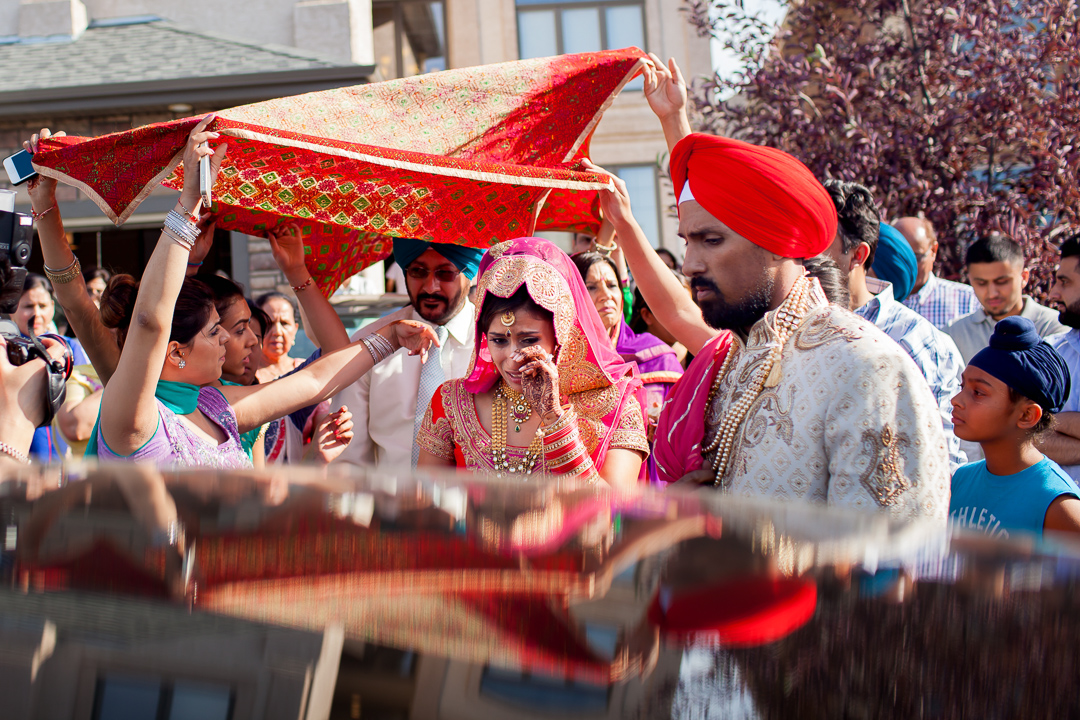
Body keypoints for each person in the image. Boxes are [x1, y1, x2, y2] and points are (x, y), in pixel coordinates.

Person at [600, 60, 951, 517]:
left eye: (711, 241)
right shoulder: (734, 358)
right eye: (688, 241)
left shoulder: (866, 370)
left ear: (777, 244)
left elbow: (889, 570)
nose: (689, 264)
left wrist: (740, 543)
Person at [93, 117, 438, 468]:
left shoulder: (216, 408)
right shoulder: (135, 420)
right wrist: (188, 203)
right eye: (216, 332)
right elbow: (151, 320)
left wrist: (392, 336)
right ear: (175, 351)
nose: (228, 340)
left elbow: (315, 380)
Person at [416, 237, 649, 488]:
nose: (513, 357)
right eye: (498, 341)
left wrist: (555, 419)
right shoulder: (452, 401)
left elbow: (612, 511)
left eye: (528, 340)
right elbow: (427, 505)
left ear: (561, 332)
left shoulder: (617, 405)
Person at [822, 180, 966, 471]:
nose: (806, 256)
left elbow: (941, 463)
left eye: (820, 243)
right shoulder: (786, 328)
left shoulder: (920, 342)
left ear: (858, 256)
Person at [331, 237, 486, 469]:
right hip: (388, 503)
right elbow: (349, 460)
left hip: (476, 504)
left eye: (445, 273)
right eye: (418, 272)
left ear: (470, 274)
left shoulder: (492, 344)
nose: (430, 286)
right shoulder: (369, 344)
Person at [949, 316, 1080, 537]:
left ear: (1028, 415)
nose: (956, 400)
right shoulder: (960, 480)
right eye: (962, 386)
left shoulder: (1058, 505)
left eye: (978, 392)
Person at [571, 251, 683, 455]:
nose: (606, 295)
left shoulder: (656, 357)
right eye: (591, 287)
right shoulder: (563, 364)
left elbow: (685, 430)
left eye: (612, 285)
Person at [945, 234, 1065, 363]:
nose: (992, 293)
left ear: (1024, 277)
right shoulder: (953, 334)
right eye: (981, 283)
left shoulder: (1056, 329)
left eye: (1001, 282)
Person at [1041, 232, 1080, 480]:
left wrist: (1048, 420)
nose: (1053, 293)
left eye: (1064, 282)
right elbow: (1025, 435)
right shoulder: (1051, 353)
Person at [895, 216, 979, 328]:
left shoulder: (967, 301)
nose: (907, 265)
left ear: (933, 251)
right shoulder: (873, 301)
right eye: (898, 257)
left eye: (917, 257)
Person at [255, 291, 303, 381]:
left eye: (284, 323)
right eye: (269, 323)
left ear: (295, 329)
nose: (277, 332)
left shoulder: (307, 369)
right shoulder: (244, 376)